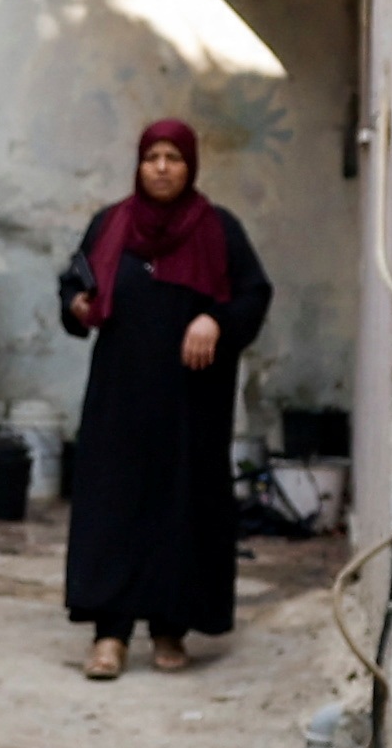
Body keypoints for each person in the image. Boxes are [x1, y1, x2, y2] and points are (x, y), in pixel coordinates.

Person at [56, 118, 269, 679]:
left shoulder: (219, 230)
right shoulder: (110, 224)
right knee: (114, 502)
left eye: (174, 157)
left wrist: (215, 320)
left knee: (182, 505)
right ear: (139, 163)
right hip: (120, 395)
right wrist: (77, 304)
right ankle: (110, 634)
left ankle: (170, 628)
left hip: (190, 401)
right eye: (153, 156)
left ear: (191, 165)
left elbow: (253, 293)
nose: (162, 167)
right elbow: (73, 282)